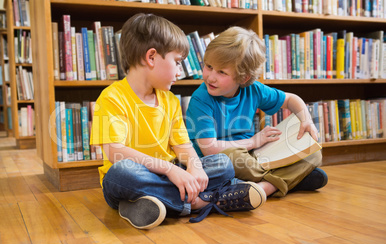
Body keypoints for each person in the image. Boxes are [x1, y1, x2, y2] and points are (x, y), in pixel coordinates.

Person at [90, 14, 267, 230]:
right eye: (177, 62)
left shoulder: (170, 100)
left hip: (171, 172)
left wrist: (194, 167)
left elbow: (182, 146)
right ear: (151, 57)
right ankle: (202, 202)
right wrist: (170, 171)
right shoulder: (112, 98)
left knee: (223, 164)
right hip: (135, 177)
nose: (180, 71)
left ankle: (146, 204)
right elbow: (115, 152)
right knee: (121, 173)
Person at [186, 26, 328, 198]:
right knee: (230, 160)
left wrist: (307, 121)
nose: (210, 77)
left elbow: (291, 100)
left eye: (221, 72)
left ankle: (263, 186)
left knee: (313, 153)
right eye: (208, 66)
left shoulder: (254, 89)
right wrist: (253, 141)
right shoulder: (201, 99)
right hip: (217, 160)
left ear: (243, 78)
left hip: (254, 154)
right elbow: (210, 148)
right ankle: (285, 181)